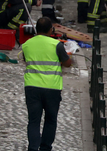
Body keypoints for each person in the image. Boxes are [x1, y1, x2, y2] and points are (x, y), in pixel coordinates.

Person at [21, 16, 73, 151]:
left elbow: (25, 59)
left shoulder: (27, 44)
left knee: (33, 121)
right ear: (51, 30)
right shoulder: (56, 45)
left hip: (32, 87)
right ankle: (45, 148)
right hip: (52, 87)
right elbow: (67, 63)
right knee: (50, 120)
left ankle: (33, 148)